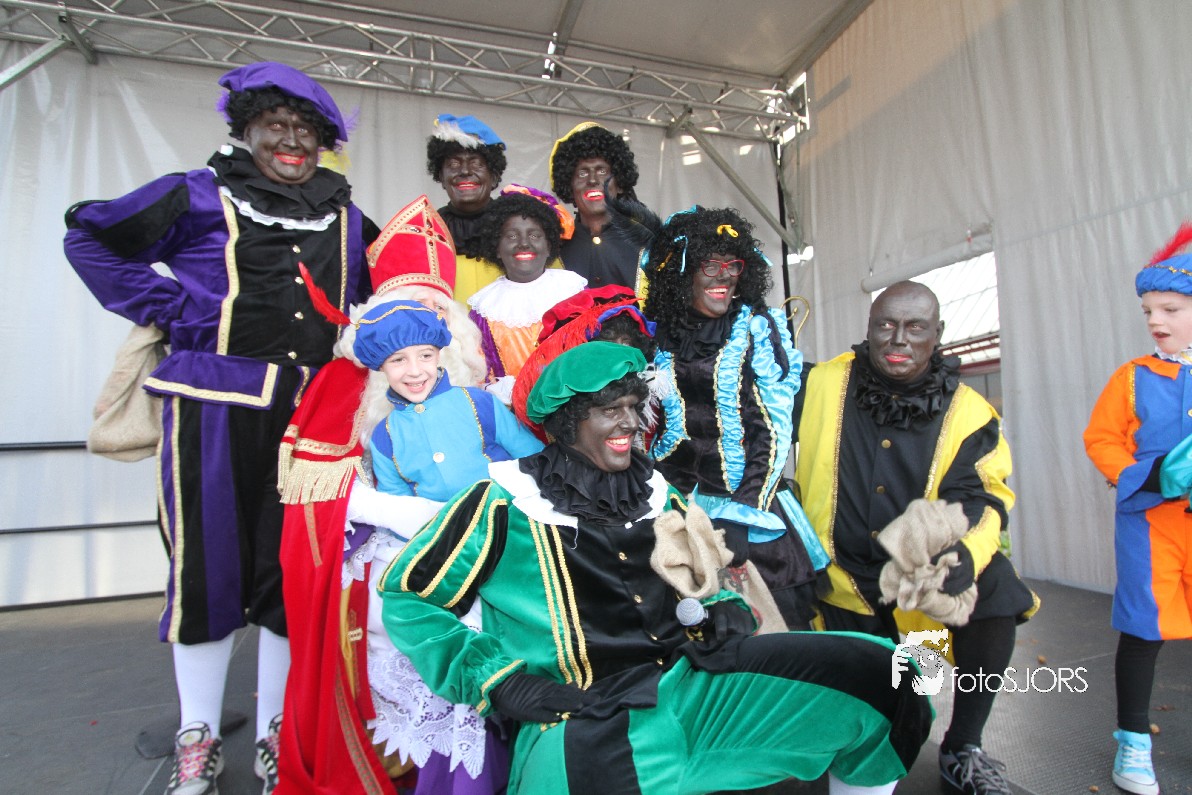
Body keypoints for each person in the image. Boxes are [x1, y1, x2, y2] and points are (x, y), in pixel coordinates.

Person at [376, 342, 933, 795]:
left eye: (633, 407)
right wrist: (499, 681)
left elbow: (703, 572)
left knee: (892, 675)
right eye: (609, 410)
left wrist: (723, 607)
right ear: (568, 422)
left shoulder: (654, 489)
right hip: (586, 714)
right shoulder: (502, 500)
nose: (628, 424)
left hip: (698, 682)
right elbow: (408, 596)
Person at [63, 61, 378, 795]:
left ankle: (276, 731)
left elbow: (377, 300)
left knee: (290, 579)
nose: (291, 140)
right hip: (209, 410)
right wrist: (172, 308)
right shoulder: (196, 194)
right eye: (275, 125)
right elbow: (90, 240)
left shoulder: (345, 218)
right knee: (205, 574)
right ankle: (197, 736)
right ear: (247, 129)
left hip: (310, 423)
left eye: (305, 130)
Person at [275, 195, 490, 794]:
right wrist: (404, 513)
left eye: (435, 314)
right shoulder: (343, 382)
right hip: (383, 560)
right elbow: (320, 494)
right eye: (406, 315)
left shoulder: (476, 379)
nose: (417, 354)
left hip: (477, 547)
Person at [792, 280, 1038, 795]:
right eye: (885, 325)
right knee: (869, 717)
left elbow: (984, 498)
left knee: (995, 588)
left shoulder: (970, 413)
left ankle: (963, 747)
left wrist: (964, 555)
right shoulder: (819, 384)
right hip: (834, 587)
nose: (898, 339)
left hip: (915, 591)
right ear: (868, 328)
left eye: (915, 327)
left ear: (938, 333)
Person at [642, 206, 824, 629]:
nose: (724, 276)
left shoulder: (757, 328)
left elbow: (773, 431)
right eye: (711, 265)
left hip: (747, 502)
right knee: (693, 629)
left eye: (733, 265)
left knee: (773, 634)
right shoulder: (661, 335)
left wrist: (743, 513)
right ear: (682, 273)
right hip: (678, 503)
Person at [1083, 223, 1192, 795]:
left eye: (1171, 309)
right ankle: (1133, 742)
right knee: (1143, 629)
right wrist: (1147, 475)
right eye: (1149, 310)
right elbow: (1101, 439)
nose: (1156, 320)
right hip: (1150, 524)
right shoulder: (1132, 377)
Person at [468, 186, 586, 403]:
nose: (523, 243)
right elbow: (482, 371)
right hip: (512, 411)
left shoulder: (574, 291)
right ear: (496, 248)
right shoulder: (484, 307)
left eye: (534, 235)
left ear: (549, 245)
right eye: (512, 235)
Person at [510, 284, 657, 439]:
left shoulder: (651, 382)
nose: (620, 353)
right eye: (608, 344)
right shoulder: (560, 396)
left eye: (626, 343)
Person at [549, 122, 648, 292]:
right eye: (582, 173)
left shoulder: (648, 243)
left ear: (620, 183)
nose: (593, 180)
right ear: (569, 186)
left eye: (602, 171)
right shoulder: (553, 248)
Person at [426, 113, 509, 304]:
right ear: (441, 176)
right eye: (454, 164)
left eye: (476, 163)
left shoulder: (517, 225)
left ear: (494, 176)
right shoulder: (427, 229)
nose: (464, 171)